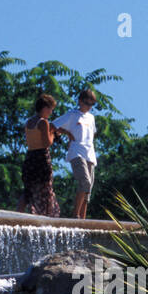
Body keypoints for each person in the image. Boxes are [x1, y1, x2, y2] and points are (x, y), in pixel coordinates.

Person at [52, 88, 98, 219]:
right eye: (86, 103)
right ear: (79, 101)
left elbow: (92, 134)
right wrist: (67, 132)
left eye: (91, 104)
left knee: (88, 188)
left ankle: (82, 218)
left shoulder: (91, 118)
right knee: (85, 181)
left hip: (90, 154)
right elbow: (53, 125)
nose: (88, 107)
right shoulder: (72, 115)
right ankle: (75, 215)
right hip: (76, 152)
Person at [20, 93, 61, 217]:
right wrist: (53, 133)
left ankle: (18, 213)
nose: (50, 112)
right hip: (41, 158)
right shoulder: (43, 123)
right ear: (44, 107)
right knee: (46, 189)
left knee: (28, 190)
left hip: (30, 157)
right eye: (50, 109)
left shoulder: (28, 122)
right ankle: (47, 215)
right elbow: (46, 143)